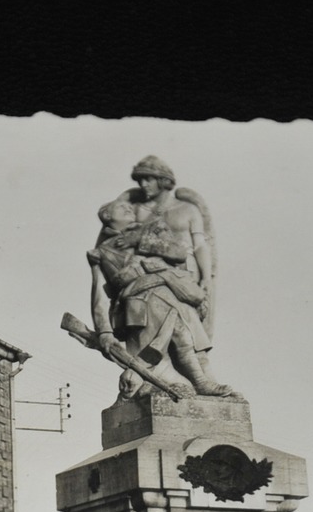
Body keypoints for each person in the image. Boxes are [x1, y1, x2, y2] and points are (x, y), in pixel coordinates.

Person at [87, 156, 235, 398]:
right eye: (141, 179)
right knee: (167, 332)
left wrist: (206, 279)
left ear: (165, 181)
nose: (144, 184)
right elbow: (109, 262)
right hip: (146, 285)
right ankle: (176, 381)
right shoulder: (135, 213)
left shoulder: (187, 209)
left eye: (150, 178)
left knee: (188, 331)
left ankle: (203, 381)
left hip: (180, 278)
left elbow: (199, 247)